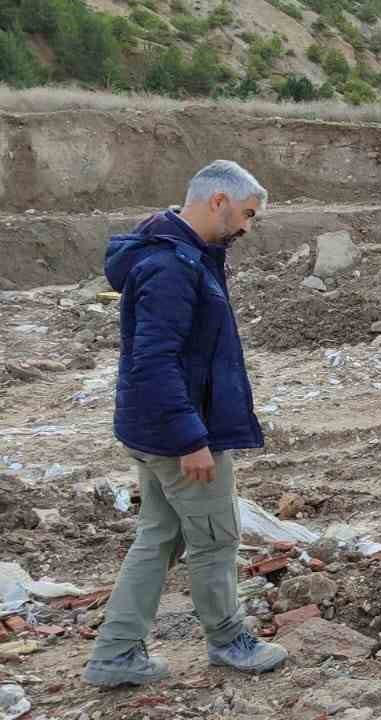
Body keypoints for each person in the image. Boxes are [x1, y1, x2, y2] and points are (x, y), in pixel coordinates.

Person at [84, 160, 287, 687]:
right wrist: (192, 438)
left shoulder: (183, 257)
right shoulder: (174, 267)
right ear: (217, 200)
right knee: (216, 539)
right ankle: (228, 640)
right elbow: (154, 361)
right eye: (245, 214)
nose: (247, 227)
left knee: (159, 536)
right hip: (181, 436)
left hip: (156, 429)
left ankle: (116, 652)